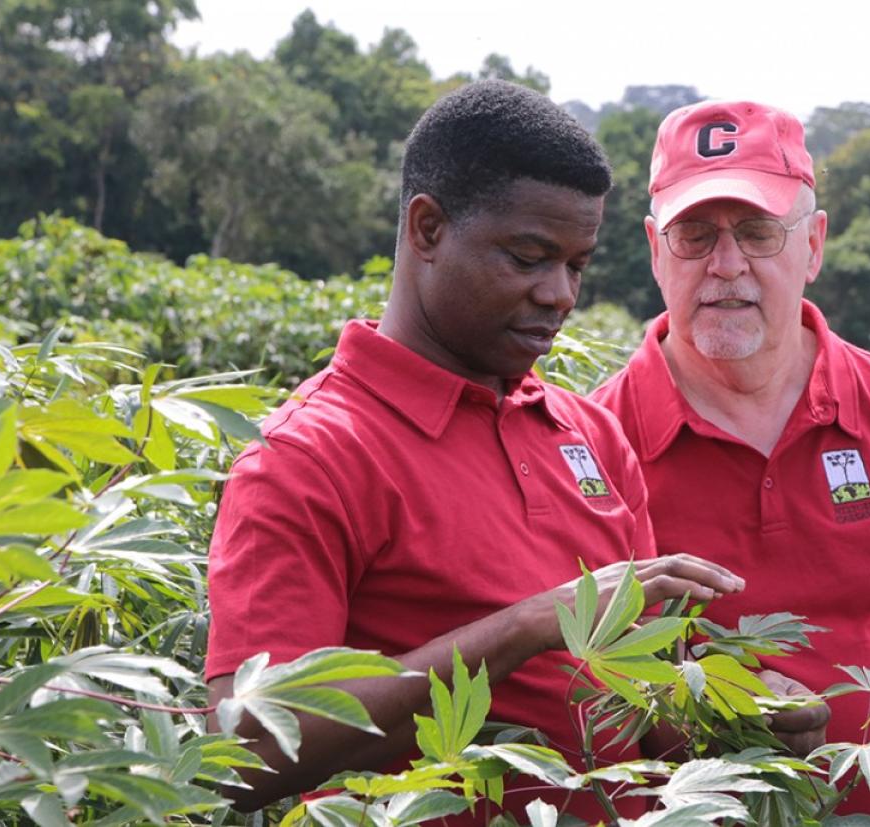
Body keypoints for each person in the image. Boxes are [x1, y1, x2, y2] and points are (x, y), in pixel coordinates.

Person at [203, 80, 748, 821]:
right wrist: (522, 629)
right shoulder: (308, 456)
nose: (559, 292)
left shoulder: (590, 435)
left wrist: (732, 716)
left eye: (577, 265)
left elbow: (645, 713)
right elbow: (250, 751)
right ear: (427, 229)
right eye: (528, 257)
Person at [592, 100, 870, 825]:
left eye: (757, 232)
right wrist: (712, 716)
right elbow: (585, 710)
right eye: (694, 235)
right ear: (655, 251)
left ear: (813, 244)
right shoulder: (595, 446)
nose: (726, 264)